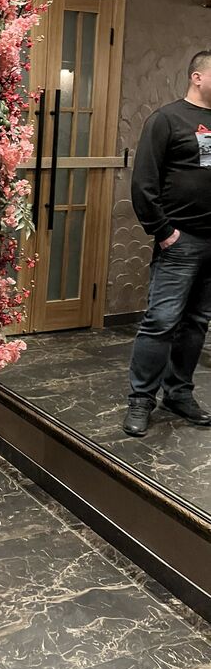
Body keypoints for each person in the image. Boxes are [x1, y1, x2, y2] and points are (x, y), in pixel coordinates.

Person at [123, 50, 211, 436]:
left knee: (196, 322)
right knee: (161, 322)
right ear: (197, 76)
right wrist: (164, 232)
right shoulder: (167, 119)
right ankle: (141, 400)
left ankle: (179, 393)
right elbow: (144, 182)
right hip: (180, 242)